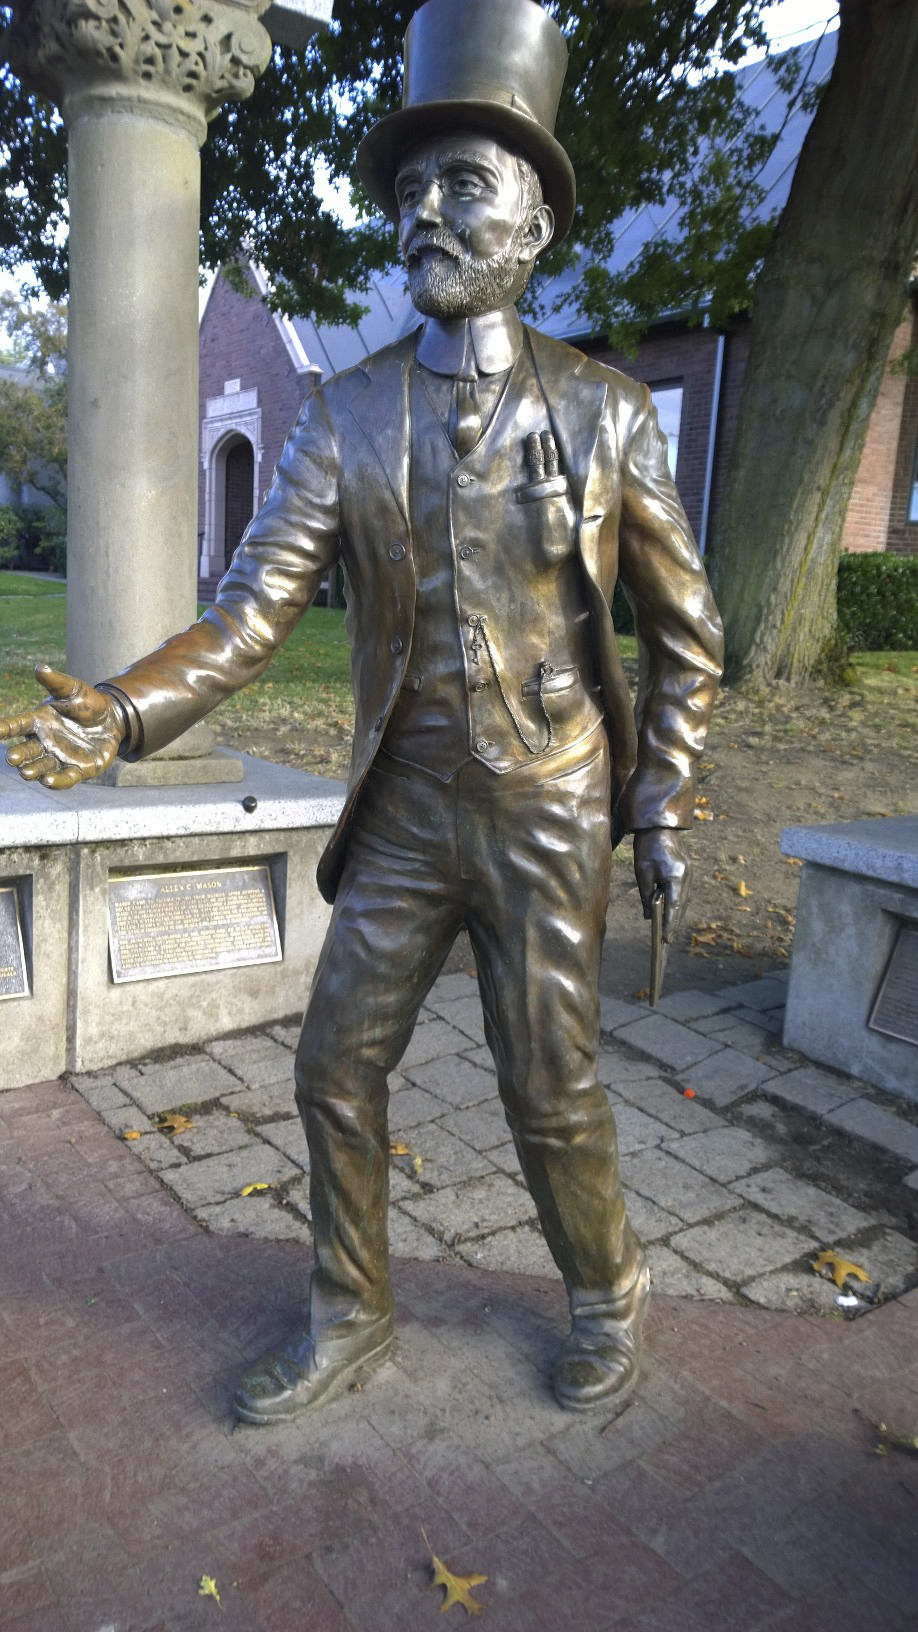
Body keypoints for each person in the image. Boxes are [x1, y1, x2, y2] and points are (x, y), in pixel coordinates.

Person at [0, 0, 723, 1425]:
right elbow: (249, 615)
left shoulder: (608, 413)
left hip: (548, 799)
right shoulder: (346, 414)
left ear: (534, 224)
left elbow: (685, 635)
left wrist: (660, 799)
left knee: (547, 1080)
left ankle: (607, 1291)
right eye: (407, 193)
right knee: (334, 1065)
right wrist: (127, 717)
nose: (426, 218)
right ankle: (350, 1309)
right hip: (401, 810)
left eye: (463, 187)